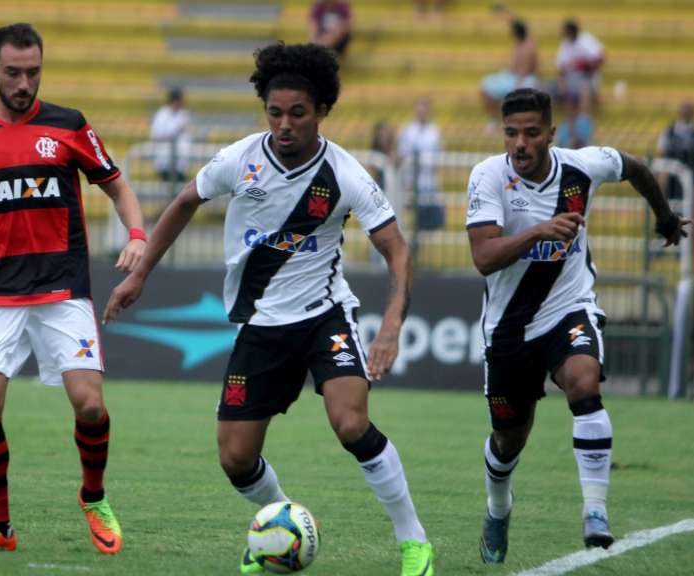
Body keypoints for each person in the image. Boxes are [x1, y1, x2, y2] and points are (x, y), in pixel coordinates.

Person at [105, 42, 435, 576]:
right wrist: (141, 273)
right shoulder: (240, 159)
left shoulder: (345, 174)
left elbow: (397, 248)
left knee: (351, 423)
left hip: (324, 316)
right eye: (275, 113)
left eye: (297, 114)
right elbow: (186, 201)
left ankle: (413, 541)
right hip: (260, 327)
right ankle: (282, 524)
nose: (284, 125)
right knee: (235, 458)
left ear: (322, 112)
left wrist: (391, 324)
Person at [0, 23, 145, 555]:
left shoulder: (69, 125)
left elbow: (117, 184)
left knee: (89, 405)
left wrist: (137, 235)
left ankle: (93, 497)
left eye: (32, 72)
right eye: (13, 73)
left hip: (61, 285)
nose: (24, 82)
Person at [465, 88, 689, 564]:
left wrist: (665, 216)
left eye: (530, 133)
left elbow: (638, 168)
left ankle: (595, 511)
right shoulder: (487, 177)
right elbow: (483, 258)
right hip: (507, 331)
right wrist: (536, 232)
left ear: (551, 133)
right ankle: (498, 507)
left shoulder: (585, 165)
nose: (519, 143)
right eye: (511, 133)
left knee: (584, 381)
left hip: (569, 308)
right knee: (508, 440)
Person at [398, 97, 444, 230]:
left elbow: (439, 155)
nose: (421, 112)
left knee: (429, 221)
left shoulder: (434, 131)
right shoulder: (408, 130)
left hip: (429, 181)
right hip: (411, 180)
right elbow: (403, 155)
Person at [481, 19, 538, 124]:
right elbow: (516, 20)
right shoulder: (518, 42)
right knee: (485, 85)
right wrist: (503, 12)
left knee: (516, 93)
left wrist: (518, 83)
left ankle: (513, 122)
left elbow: (527, 68)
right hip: (511, 75)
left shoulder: (529, 45)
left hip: (526, 78)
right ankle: (492, 120)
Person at [556, 19, 604, 114]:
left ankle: (584, 120)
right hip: (571, 79)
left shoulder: (586, 40)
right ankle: (570, 124)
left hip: (587, 78)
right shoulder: (565, 44)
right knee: (561, 89)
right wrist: (561, 83)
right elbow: (561, 68)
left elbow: (600, 58)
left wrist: (588, 70)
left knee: (584, 90)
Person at [656, 102, 694, 200]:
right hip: (670, 181)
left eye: (688, 110)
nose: (686, 113)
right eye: (684, 110)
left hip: (691, 182)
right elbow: (661, 153)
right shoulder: (669, 132)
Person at [150, 86, 192, 183]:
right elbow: (157, 135)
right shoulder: (162, 114)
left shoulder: (183, 114)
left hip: (180, 161)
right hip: (165, 160)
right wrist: (176, 130)